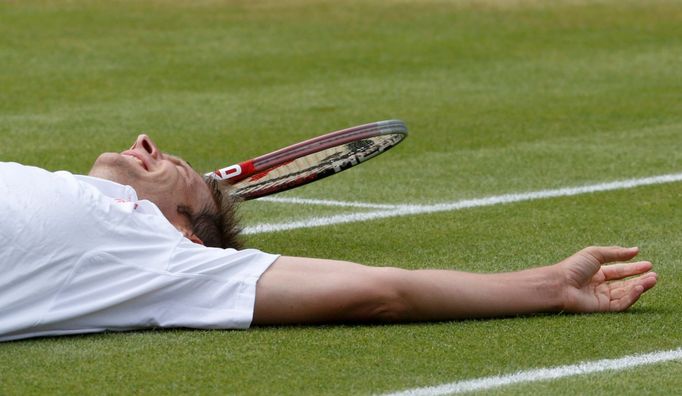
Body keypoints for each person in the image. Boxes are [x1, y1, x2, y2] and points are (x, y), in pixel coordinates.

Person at [0, 135, 658, 341]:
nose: (147, 143)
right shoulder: (66, 192)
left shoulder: (158, 257)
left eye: (177, 173)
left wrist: (546, 285)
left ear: (186, 234)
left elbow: (380, 293)